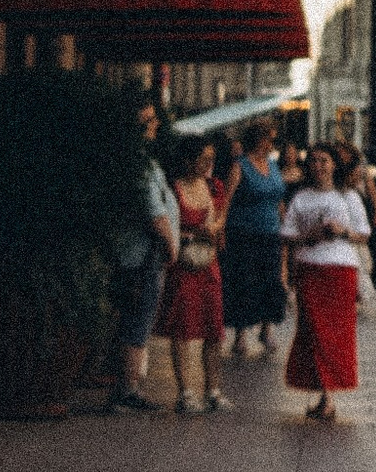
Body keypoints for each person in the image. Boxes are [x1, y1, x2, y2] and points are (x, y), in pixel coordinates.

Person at [283, 143, 372, 421]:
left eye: (324, 161)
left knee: (335, 334)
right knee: (312, 331)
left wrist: (342, 232)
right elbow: (287, 234)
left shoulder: (349, 197)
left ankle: (328, 394)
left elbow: (364, 233)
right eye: (314, 161)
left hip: (340, 269)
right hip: (310, 268)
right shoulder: (301, 198)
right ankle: (323, 393)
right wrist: (308, 237)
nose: (319, 166)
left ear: (334, 165)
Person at [105, 98, 181, 412]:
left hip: (130, 252)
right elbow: (155, 214)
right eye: (149, 121)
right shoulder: (140, 165)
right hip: (143, 254)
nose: (156, 125)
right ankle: (128, 390)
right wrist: (170, 244)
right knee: (138, 320)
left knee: (131, 317)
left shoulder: (127, 160)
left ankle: (124, 385)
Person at [154, 135, 227, 410]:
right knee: (183, 328)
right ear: (189, 160)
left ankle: (213, 390)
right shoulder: (174, 189)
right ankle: (185, 392)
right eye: (204, 159)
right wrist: (190, 235)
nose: (209, 164)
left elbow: (219, 219)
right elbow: (169, 226)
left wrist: (215, 228)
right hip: (184, 265)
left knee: (213, 328)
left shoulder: (212, 186)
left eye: (211, 158)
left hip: (208, 263)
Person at [221, 124, 288, 360]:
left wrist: (285, 224)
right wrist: (222, 228)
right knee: (245, 281)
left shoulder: (272, 165)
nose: (271, 144)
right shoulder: (240, 166)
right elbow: (226, 200)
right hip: (244, 233)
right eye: (267, 139)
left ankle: (266, 328)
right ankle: (240, 334)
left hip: (271, 232)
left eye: (272, 139)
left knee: (271, 280)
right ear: (257, 140)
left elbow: (279, 198)